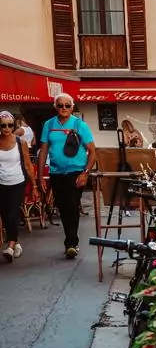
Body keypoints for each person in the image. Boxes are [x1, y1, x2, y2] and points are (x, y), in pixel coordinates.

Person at [37, 94, 96, 259]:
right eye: (60, 105)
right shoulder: (49, 125)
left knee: (72, 205)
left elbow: (92, 151)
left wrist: (86, 173)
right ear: (55, 107)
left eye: (67, 106)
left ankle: (72, 243)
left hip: (76, 172)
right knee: (63, 208)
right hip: (56, 172)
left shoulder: (79, 125)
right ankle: (69, 240)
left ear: (72, 107)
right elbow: (43, 150)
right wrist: (41, 175)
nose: (64, 108)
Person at [0, 111, 37, 262]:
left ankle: (10, 246)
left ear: (14, 126)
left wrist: (34, 185)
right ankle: (16, 243)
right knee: (4, 214)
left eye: (10, 125)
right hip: (1, 182)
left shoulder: (20, 142)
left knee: (12, 214)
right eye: (3, 126)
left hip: (17, 182)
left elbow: (28, 165)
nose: (7, 128)